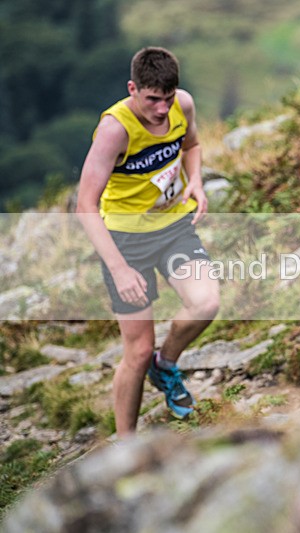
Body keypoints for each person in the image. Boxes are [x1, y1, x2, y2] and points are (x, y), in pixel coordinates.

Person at [77, 47, 219, 437]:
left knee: (207, 302)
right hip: (125, 241)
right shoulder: (114, 130)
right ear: (133, 89)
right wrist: (120, 269)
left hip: (173, 227)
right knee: (137, 351)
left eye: (167, 98)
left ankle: (167, 364)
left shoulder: (182, 106)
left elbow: (191, 146)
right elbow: (85, 206)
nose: (161, 109)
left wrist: (195, 181)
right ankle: (127, 445)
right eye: (152, 99)